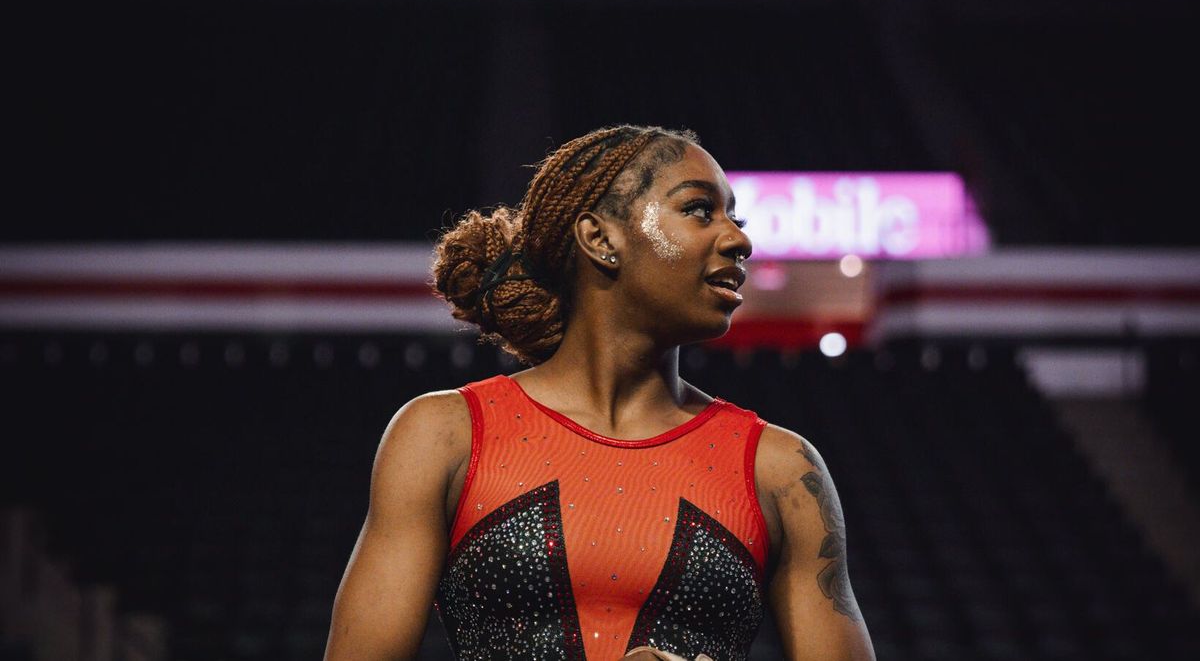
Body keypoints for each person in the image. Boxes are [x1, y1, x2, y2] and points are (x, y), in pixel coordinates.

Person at [323, 125, 876, 661]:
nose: (739, 239)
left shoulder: (782, 469)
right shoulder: (444, 435)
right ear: (601, 239)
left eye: (736, 218)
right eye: (698, 210)